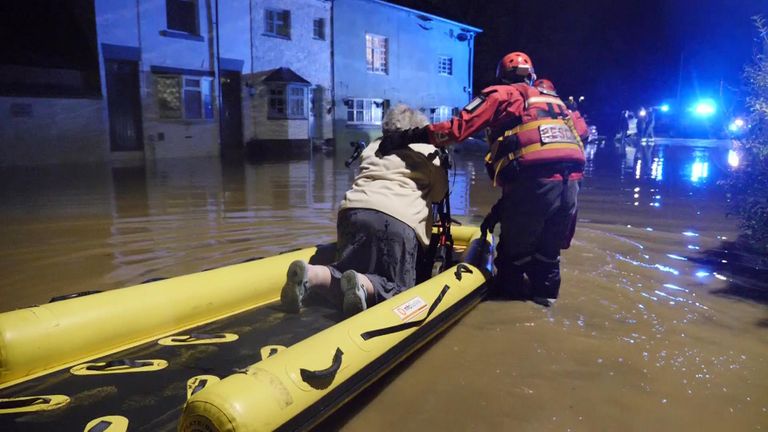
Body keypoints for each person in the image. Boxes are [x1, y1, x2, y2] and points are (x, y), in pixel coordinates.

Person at [379, 52, 588, 307]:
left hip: (533, 185)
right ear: (531, 76)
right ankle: (545, 307)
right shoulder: (558, 104)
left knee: (513, 255)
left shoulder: (502, 95)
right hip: (571, 185)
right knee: (548, 254)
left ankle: (504, 317)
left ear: (503, 76)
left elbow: (457, 129)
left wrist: (407, 137)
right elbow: (581, 135)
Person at [281, 104, 448, 317]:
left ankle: (312, 275)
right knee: (398, 288)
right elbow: (438, 194)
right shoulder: (428, 151)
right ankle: (361, 283)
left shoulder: (374, 146)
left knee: (343, 267)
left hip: (352, 212)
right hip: (397, 220)